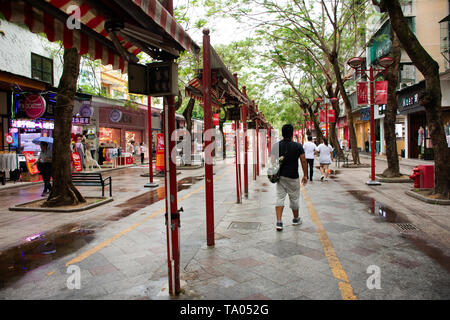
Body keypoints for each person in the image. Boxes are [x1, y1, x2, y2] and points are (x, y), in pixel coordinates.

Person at [271, 124, 308, 231]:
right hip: (293, 177)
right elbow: (303, 160)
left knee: (279, 197)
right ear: (292, 133)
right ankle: (296, 219)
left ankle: (279, 222)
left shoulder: (276, 146)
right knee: (294, 198)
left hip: (281, 177)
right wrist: (305, 175)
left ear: (282, 133)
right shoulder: (298, 146)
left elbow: (273, 161)